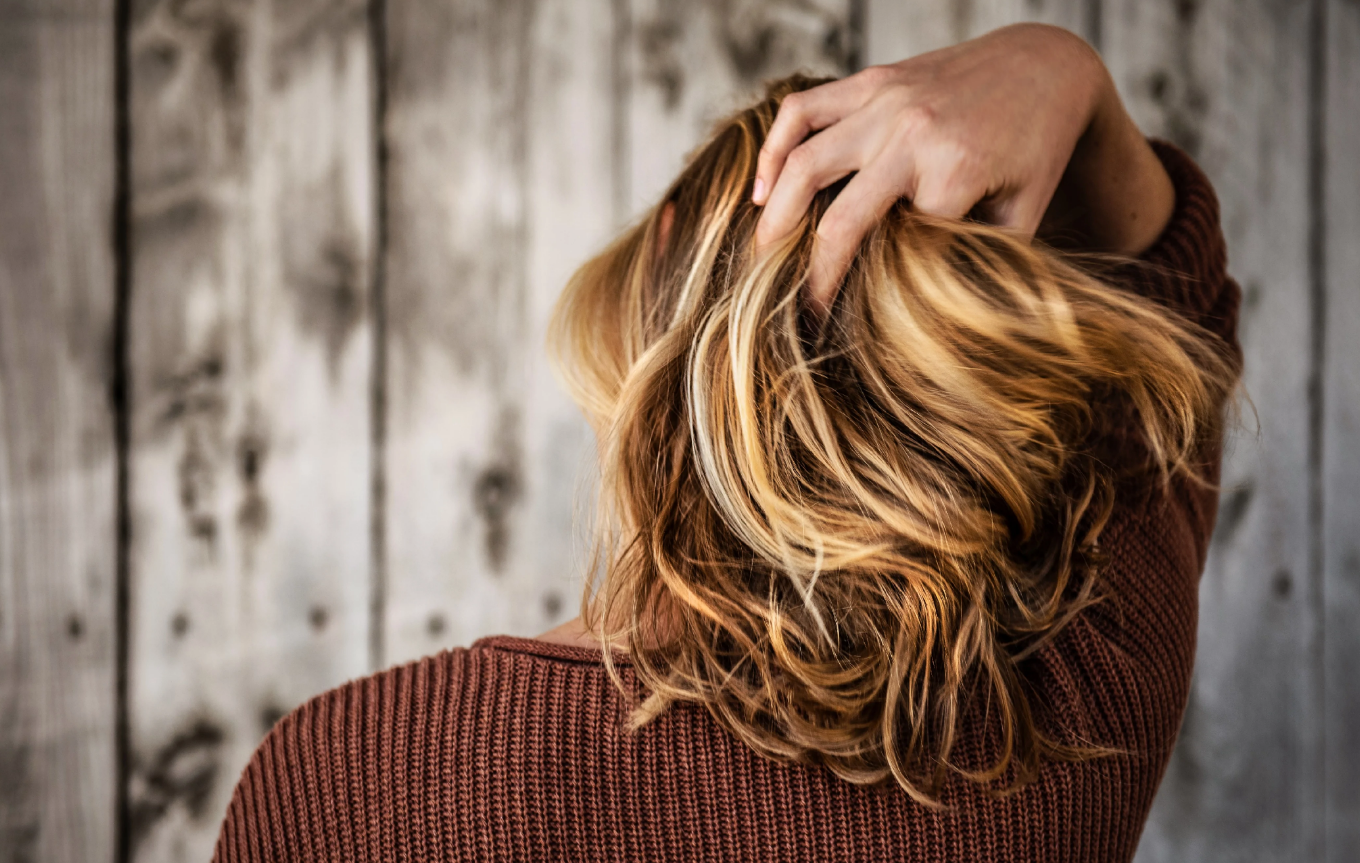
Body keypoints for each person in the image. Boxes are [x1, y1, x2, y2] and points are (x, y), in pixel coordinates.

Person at [212, 23, 1241, 863]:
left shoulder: (343, 782)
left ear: (662, 255)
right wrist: (1062, 71)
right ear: (957, 362)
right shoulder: (1075, 706)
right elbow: (1177, 319)